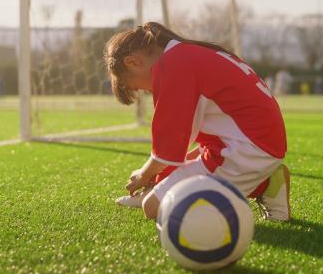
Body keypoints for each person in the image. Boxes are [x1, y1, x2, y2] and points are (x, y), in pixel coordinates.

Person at [104, 22, 290, 221]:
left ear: (132, 62)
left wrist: (144, 174)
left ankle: (266, 183)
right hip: (248, 141)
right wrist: (159, 177)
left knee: (153, 208)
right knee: (173, 175)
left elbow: (166, 153)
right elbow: (179, 151)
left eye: (138, 87)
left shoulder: (172, 67)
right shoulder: (184, 54)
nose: (146, 91)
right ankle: (261, 176)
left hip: (246, 150)